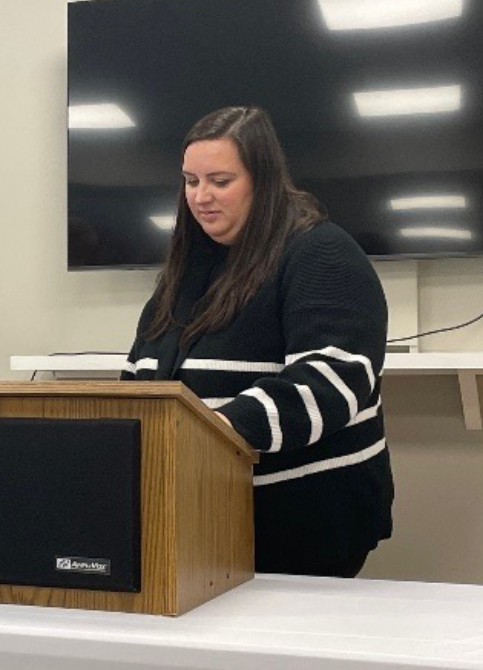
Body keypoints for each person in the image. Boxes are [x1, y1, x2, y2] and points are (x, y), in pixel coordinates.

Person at [122, 106, 393, 577]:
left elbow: (329, 384)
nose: (201, 197)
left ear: (262, 181)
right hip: (198, 524)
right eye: (191, 181)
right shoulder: (187, 271)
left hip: (305, 527)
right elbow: (139, 374)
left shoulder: (322, 253)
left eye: (220, 181)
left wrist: (202, 436)